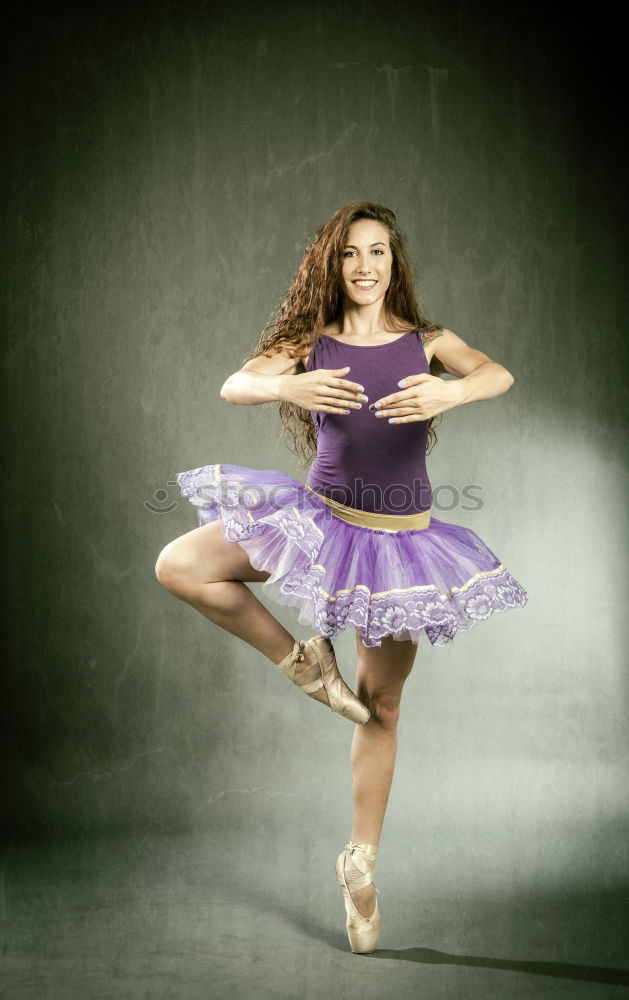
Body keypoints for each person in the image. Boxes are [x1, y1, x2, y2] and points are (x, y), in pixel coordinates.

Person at [154, 200, 528, 954]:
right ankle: (302, 661)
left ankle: (359, 863)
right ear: (332, 265)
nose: (364, 267)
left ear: (395, 262)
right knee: (182, 565)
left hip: (400, 546)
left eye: (378, 253)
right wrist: (284, 387)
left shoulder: (427, 342)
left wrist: (451, 390)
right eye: (351, 254)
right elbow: (235, 382)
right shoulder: (308, 342)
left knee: (380, 704)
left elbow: (497, 373)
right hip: (318, 523)